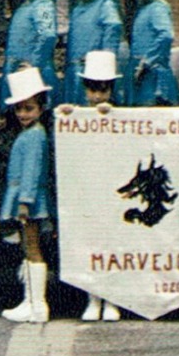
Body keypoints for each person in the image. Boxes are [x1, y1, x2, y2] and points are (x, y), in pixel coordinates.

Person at [63, 50, 127, 322]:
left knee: (113, 245)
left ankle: (112, 299)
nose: (97, 96)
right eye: (92, 89)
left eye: (103, 89)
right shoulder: (77, 116)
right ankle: (93, 297)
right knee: (90, 244)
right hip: (88, 190)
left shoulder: (123, 115)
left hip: (114, 190)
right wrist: (66, 115)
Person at [0, 66, 54, 324]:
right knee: (27, 246)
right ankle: (30, 299)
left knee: (32, 247)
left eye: (29, 108)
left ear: (41, 109)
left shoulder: (35, 136)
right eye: (19, 108)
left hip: (28, 197)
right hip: (24, 195)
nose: (23, 114)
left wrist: (25, 202)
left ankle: (37, 303)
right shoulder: (30, 133)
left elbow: (32, 171)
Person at [62, 0, 124, 106]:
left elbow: (114, 28)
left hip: (94, 75)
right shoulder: (77, 5)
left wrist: (102, 64)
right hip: (73, 70)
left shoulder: (106, 4)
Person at [122, 0, 179, 107]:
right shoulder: (142, 7)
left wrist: (147, 61)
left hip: (151, 72)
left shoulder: (157, 7)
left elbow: (166, 34)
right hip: (139, 69)